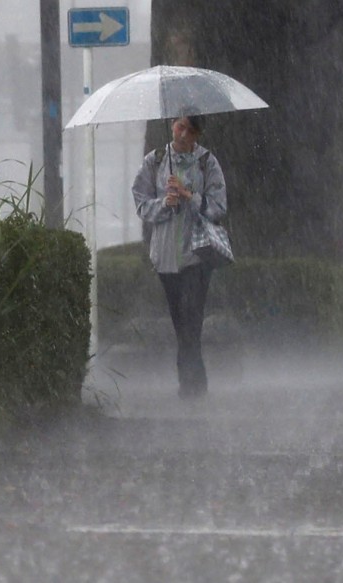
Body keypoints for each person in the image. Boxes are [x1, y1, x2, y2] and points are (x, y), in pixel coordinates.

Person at [131, 113, 228, 399]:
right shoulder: (155, 160)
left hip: (196, 254)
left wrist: (189, 196)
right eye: (180, 126)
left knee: (191, 318)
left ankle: (191, 385)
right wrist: (164, 203)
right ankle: (193, 380)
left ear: (198, 135)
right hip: (165, 256)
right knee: (180, 321)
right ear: (173, 124)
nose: (183, 134)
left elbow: (219, 206)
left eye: (190, 130)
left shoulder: (207, 162)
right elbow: (140, 201)